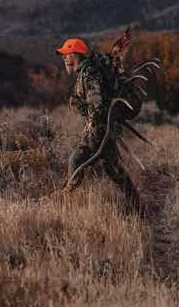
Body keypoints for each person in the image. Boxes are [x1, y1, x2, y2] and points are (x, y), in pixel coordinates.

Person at [56, 36, 142, 212]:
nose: (64, 57)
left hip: (99, 129)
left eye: (66, 54)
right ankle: (137, 207)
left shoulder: (89, 75)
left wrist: (93, 132)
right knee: (112, 168)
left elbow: (97, 105)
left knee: (76, 160)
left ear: (75, 54)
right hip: (104, 128)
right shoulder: (86, 72)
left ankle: (64, 204)